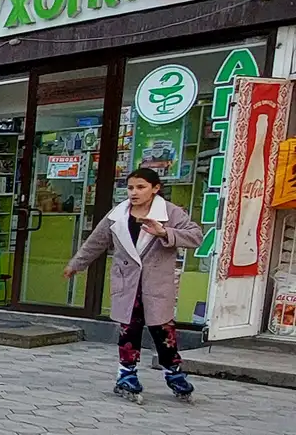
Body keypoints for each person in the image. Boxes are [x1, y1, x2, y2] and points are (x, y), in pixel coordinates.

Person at [64, 166, 205, 401]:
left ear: (155, 188)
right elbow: (96, 242)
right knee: (129, 331)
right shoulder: (117, 215)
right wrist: (76, 264)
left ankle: (175, 375)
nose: (134, 192)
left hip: (156, 285)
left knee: (164, 332)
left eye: (141, 187)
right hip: (127, 283)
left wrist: (164, 232)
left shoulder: (170, 213)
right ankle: (126, 376)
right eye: (130, 187)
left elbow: (196, 236)